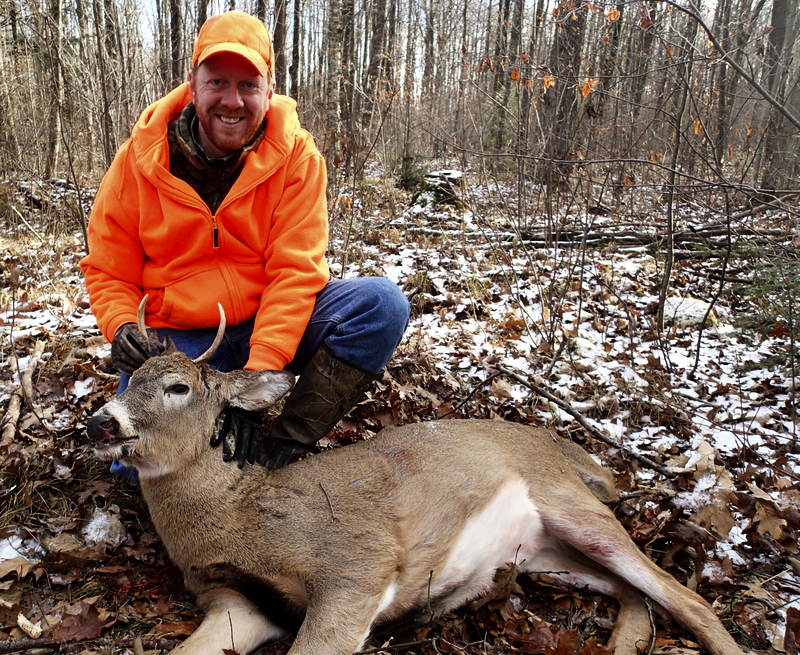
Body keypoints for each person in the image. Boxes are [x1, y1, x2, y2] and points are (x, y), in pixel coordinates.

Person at [80, 11, 410, 476]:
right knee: (131, 472)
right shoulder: (141, 159)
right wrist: (120, 329)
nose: (232, 101)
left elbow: (294, 274)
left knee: (381, 305)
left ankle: (277, 454)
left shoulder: (297, 157)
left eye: (248, 85)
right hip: (182, 341)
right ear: (192, 85)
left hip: (269, 320)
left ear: (268, 91)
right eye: (217, 82)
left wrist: (252, 386)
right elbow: (108, 268)